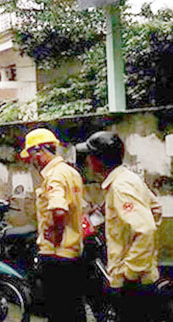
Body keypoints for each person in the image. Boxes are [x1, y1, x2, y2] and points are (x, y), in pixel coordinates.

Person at [76, 131, 162, 322]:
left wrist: (130, 273)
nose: (87, 160)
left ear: (99, 159)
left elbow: (145, 229)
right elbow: (155, 208)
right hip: (141, 278)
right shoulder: (127, 178)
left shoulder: (121, 186)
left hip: (133, 284)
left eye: (90, 155)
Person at [19, 128, 86, 322]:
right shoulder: (70, 172)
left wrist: (56, 238)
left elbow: (58, 210)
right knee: (74, 309)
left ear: (39, 151)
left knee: (58, 311)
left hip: (57, 255)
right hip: (73, 251)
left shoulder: (54, 176)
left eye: (31, 154)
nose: (31, 160)